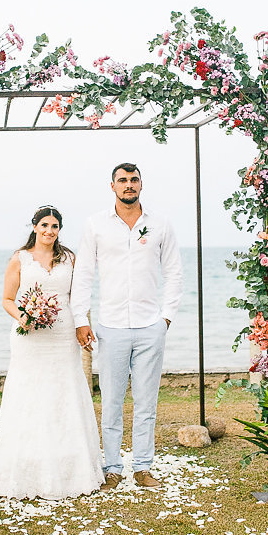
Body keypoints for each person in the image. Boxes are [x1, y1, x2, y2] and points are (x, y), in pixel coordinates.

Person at [0, 205, 104, 500]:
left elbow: (77, 297)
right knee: (31, 393)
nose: (49, 231)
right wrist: (24, 315)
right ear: (35, 227)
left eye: (55, 226)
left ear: (59, 230)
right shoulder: (20, 259)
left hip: (62, 336)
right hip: (30, 338)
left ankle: (69, 465)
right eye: (44, 225)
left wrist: (81, 325)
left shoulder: (70, 259)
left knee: (65, 392)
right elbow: (7, 299)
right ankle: (27, 463)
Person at [70, 163, 182, 490]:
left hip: (151, 327)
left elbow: (174, 273)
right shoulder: (96, 225)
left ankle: (143, 468)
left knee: (147, 402)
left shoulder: (160, 224)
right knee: (112, 402)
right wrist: (80, 319)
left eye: (134, 180)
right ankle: (113, 468)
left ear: (141, 185)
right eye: (123, 180)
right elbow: (85, 274)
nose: (128, 185)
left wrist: (166, 318)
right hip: (111, 327)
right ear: (113, 186)